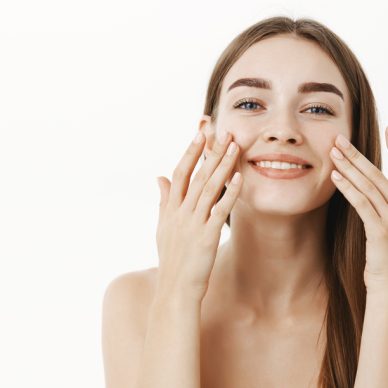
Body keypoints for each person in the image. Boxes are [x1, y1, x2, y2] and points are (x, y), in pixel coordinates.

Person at [102, 16, 388, 388]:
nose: (283, 131)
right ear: (207, 137)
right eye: (251, 103)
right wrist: (178, 293)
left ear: (357, 140)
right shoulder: (135, 301)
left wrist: (384, 289)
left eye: (317, 109)